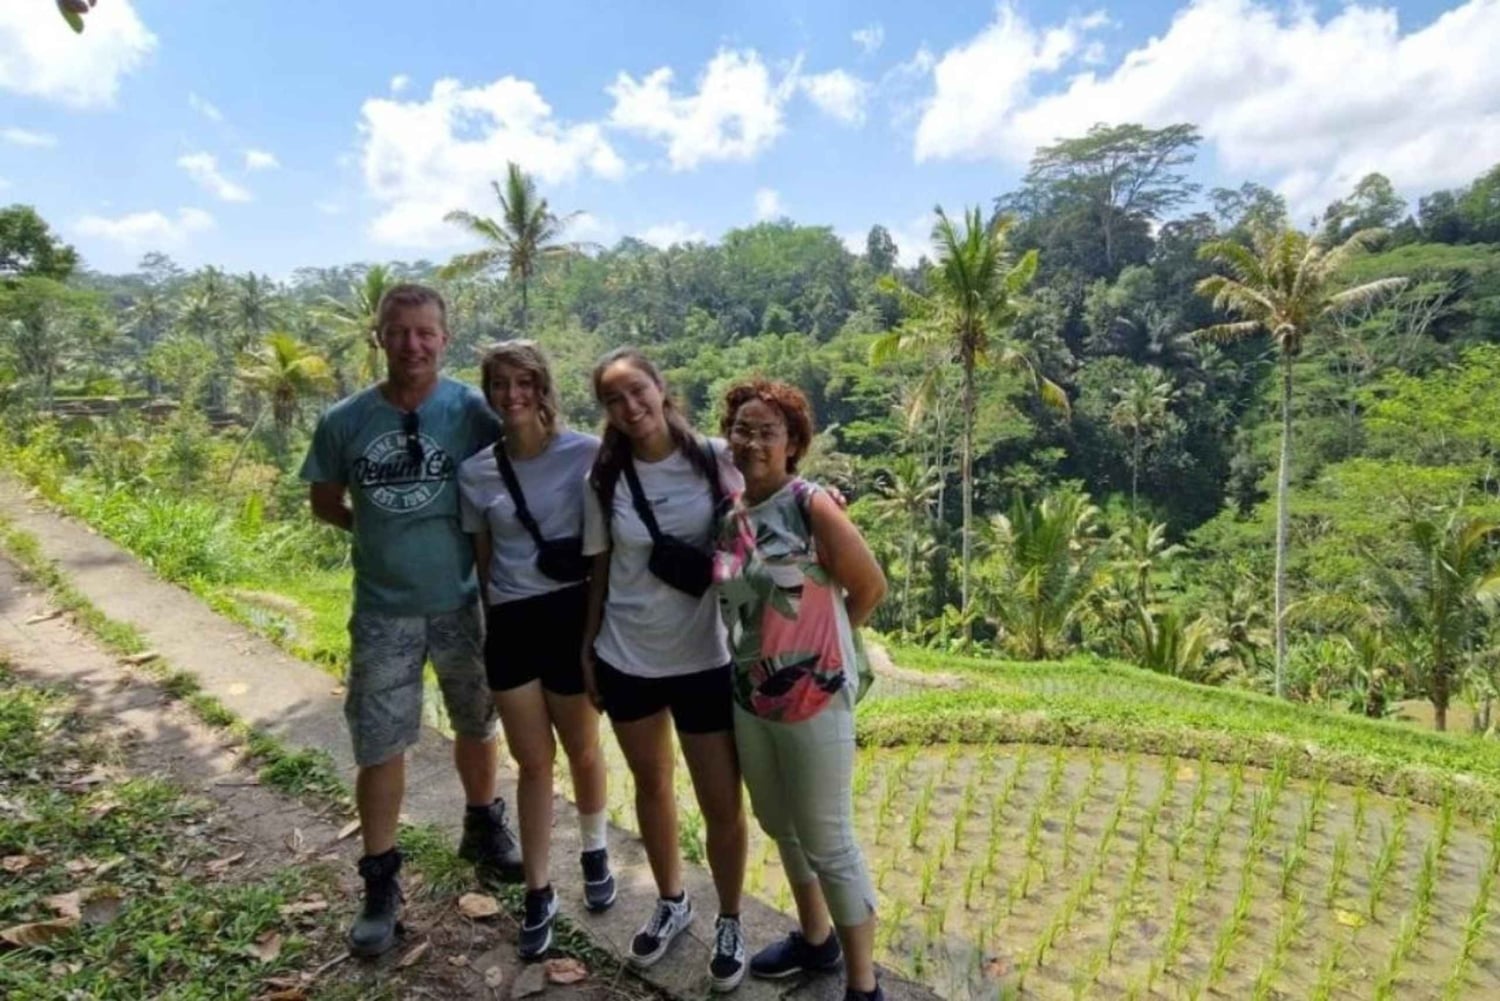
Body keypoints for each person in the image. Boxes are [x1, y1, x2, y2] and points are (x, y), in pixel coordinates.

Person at [301, 283, 523, 959]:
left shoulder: (473, 412)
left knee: (477, 720)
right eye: (399, 331)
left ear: (444, 338)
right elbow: (326, 501)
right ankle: (380, 879)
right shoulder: (345, 420)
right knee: (379, 743)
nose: (413, 344)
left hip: (463, 600)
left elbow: (518, 477)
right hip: (383, 610)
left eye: (425, 332)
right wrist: (381, 535)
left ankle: (482, 824)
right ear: (379, 335)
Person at [580, 347, 750, 991]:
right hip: (629, 654)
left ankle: (730, 918)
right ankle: (673, 901)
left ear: (661, 387)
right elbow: (599, 570)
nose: (629, 407)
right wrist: (587, 647)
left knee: (720, 802)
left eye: (637, 391)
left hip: (706, 655)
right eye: (614, 399)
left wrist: (823, 501)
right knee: (651, 786)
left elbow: (772, 500)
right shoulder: (605, 478)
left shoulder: (716, 458)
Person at [714, 379, 886, 1001]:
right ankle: (817, 942)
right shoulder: (729, 515)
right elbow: (738, 608)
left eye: (768, 431)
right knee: (778, 823)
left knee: (829, 840)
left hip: (813, 699)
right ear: (728, 438)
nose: (754, 441)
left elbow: (868, 586)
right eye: (743, 429)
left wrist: (823, 645)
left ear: (792, 444)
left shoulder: (811, 504)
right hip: (749, 697)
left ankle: (864, 987)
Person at [457, 340, 615, 960]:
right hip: (513, 625)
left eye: (524, 383)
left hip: (570, 615)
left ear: (543, 387)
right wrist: (492, 627)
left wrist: (591, 638)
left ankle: (595, 848)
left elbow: (603, 550)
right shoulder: (477, 472)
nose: (513, 395)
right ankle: (539, 890)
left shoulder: (586, 454)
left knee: (581, 748)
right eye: (500, 384)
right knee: (533, 762)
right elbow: (485, 563)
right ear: (489, 391)